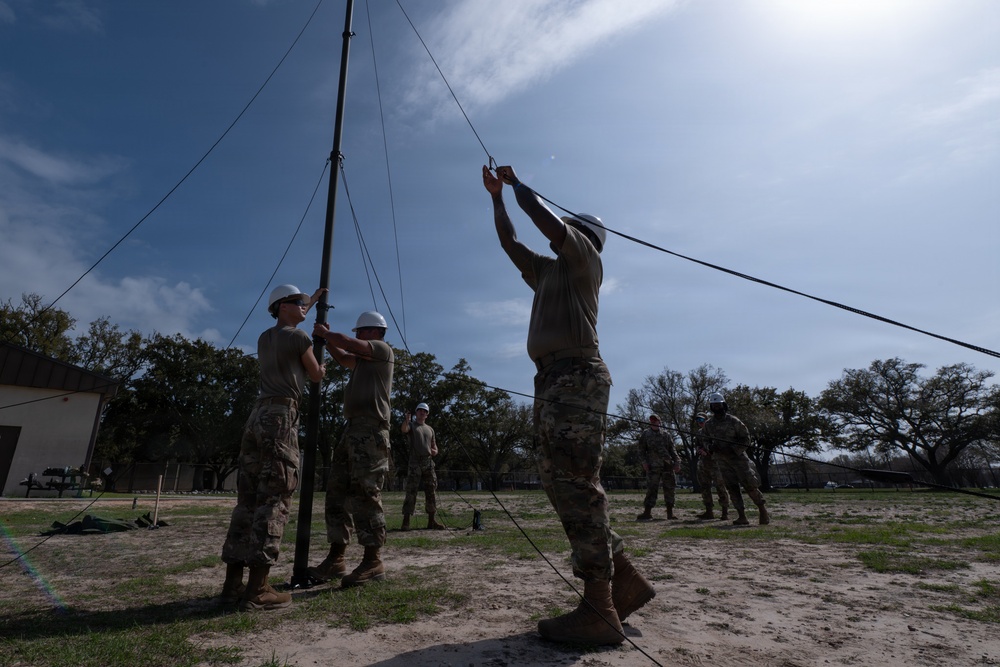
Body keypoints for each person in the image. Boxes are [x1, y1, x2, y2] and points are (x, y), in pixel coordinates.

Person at [482, 164, 654, 646]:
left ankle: (599, 608)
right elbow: (511, 243)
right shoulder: (548, 272)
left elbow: (546, 222)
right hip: (553, 378)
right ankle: (624, 579)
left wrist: (518, 187)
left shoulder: (585, 259)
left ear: (582, 235)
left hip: (577, 374)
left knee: (576, 484)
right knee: (561, 483)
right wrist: (496, 198)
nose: (561, 236)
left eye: (569, 230)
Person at [220, 284, 326, 612]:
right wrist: (322, 364)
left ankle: (233, 584)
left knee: (248, 501)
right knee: (275, 497)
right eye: (298, 302)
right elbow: (315, 374)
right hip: (281, 415)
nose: (304, 306)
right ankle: (259, 589)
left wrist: (314, 298)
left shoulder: (265, 337)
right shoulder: (300, 338)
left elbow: (293, 318)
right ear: (282, 306)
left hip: (257, 416)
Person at [308, 311, 394, 587]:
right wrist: (326, 341)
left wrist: (326, 334)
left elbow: (347, 343)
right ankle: (337, 558)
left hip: (371, 431)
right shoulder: (361, 361)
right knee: (338, 494)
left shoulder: (381, 350)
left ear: (374, 332)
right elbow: (344, 356)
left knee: (366, 494)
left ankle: (373, 561)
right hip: (352, 430)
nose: (358, 336)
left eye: (361, 332)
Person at [700, 392, 769, 526]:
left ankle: (762, 509)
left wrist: (733, 449)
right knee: (732, 488)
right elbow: (705, 440)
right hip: (722, 461)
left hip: (738, 460)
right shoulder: (708, 424)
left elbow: (746, 438)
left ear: (723, 405)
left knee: (750, 485)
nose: (716, 407)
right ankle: (741, 516)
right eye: (713, 405)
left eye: (718, 404)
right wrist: (711, 447)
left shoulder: (733, 421)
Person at [400, 402, 445, 531]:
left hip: (428, 462)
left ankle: (431, 521)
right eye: (420, 410)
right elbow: (404, 430)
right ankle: (406, 521)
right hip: (415, 462)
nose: (422, 412)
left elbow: (434, 447)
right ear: (416, 412)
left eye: (424, 411)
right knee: (411, 491)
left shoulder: (430, 429)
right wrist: (406, 420)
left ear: (427, 414)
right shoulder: (411, 425)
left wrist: (435, 451)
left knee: (431, 491)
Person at [635, 414, 682, 521]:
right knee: (651, 489)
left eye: (655, 420)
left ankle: (670, 513)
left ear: (659, 422)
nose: (653, 422)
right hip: (652, 466)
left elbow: (672, 450)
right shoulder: (646, 434)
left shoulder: (666, 435)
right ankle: (647, 512)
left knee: (669, 489)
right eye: (652, 420)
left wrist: (677, 462)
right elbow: (641, 450)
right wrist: (644, 463)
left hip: (667, 466)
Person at [693, 412, 730, 520]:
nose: (700, 422)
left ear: (707, 420)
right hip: (703, 463)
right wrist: (699, 450)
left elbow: (720, 446)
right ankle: (709, 511)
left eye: (701, 420)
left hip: (716, 463)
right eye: (698, 421)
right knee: (705, 487)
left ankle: (725, 512)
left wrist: (709, 452)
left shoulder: (714, 431)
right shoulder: (699, 433)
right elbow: (697, 445)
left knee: (720, 487)